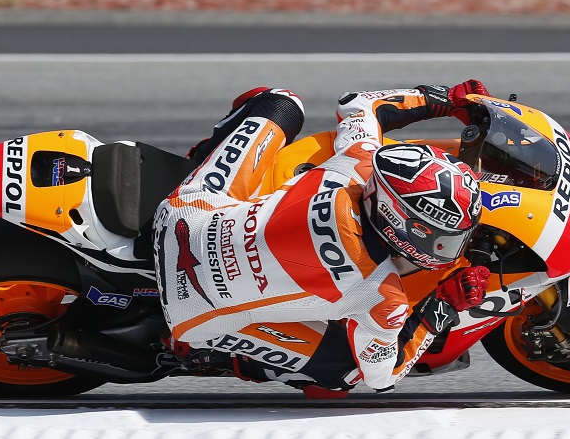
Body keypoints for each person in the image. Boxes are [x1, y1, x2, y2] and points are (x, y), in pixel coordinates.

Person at [153, 80, 492, 395]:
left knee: (280, 103)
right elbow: (382, 377)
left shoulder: (356, 163)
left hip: (183, 212)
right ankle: (222, 356)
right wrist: (444, 305)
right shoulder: (381, 295)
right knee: (346, 374)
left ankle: (198, 161)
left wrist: (444, 100)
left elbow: (361, 105)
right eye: (443, 239)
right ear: (402, 224)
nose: (449, 248)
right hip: (191, 308)